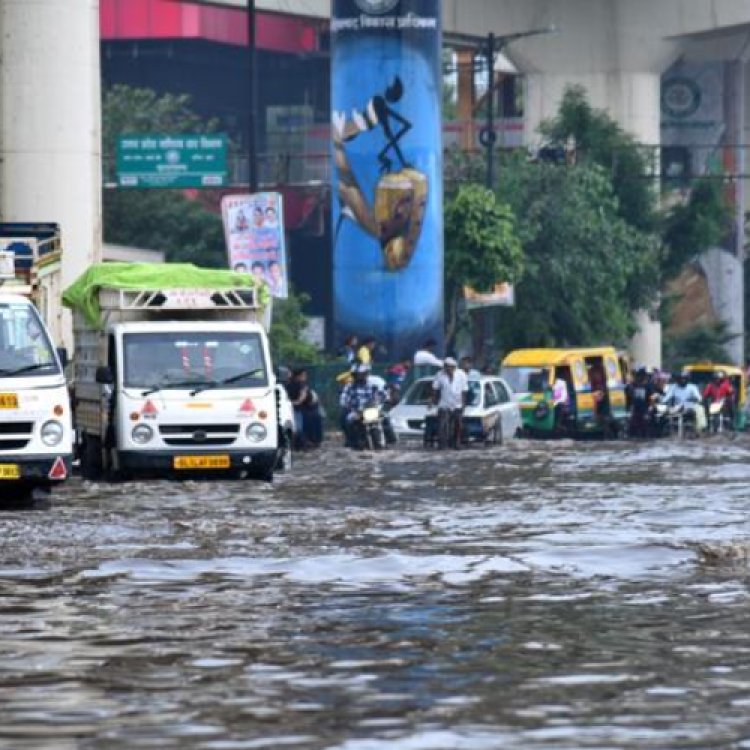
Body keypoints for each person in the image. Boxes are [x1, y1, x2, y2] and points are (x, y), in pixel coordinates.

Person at [340, 363, 381, 449]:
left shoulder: (372, 385)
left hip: (370, 410)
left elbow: (381, 395)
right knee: (348, 419)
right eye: (358, 374)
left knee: (382, 419)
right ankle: (353, 440)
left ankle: (380, 440)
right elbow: (343, 399)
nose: (360, 376)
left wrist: (379, 401)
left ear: (366, 374)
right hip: (356, 411)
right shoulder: (349, 387)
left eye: (362, 374)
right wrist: (348, 406)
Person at [432, 357, 468, 449]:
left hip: (457, 403)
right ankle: (442, 444)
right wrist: (433, 401)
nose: (448, 369)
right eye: (446, 367)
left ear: (454, 367)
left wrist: (463, 405)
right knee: (442, 424)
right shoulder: (439, 375)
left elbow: (464, 390)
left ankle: (456, 443)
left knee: (458, 424)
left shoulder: (461, 374)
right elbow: (435, 389)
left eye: (450, 367)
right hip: (444, 403)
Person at [628, 367, 656, 438]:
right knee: (633, 428)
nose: (638, 377)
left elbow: (652, 398)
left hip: (645, 410)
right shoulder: (633, 385)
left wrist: (650, 409)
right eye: (637, 375)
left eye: (640, 375)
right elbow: (630, 398)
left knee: (645, 428)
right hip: (636, 410)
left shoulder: (648, 386)